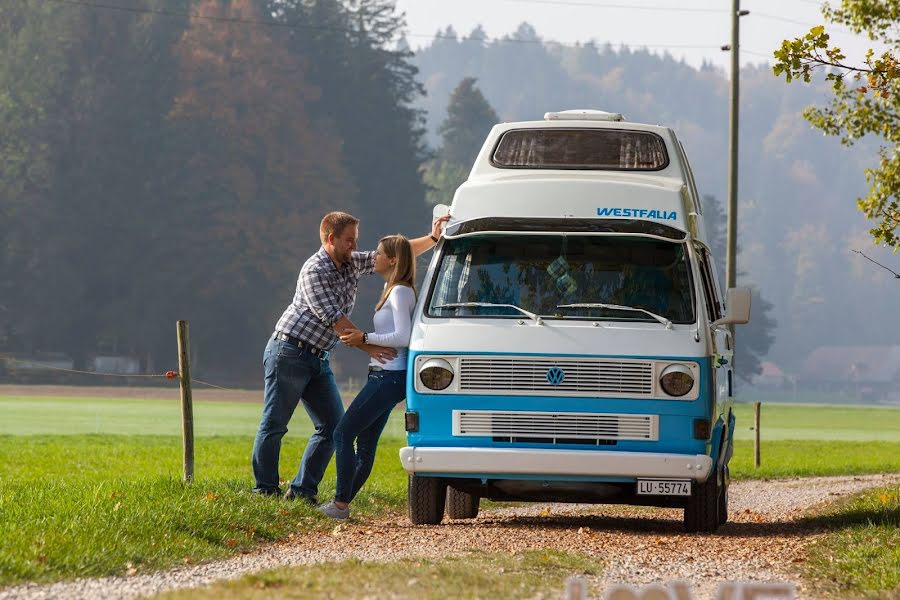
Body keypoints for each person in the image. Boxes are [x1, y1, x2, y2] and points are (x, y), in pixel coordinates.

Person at [251, 211, 448, 502]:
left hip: (318, 356)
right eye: (349, 240)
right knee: (275, 423)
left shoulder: (348, 261)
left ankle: (303, 491)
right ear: (331, 239)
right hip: (289, 352)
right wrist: (370, 346)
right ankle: (265, 491)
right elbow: (335, 319)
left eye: (355, 240)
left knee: (333, 426)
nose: (355, 246)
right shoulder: (315, 270)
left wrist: (432, 239)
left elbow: (397, 255)